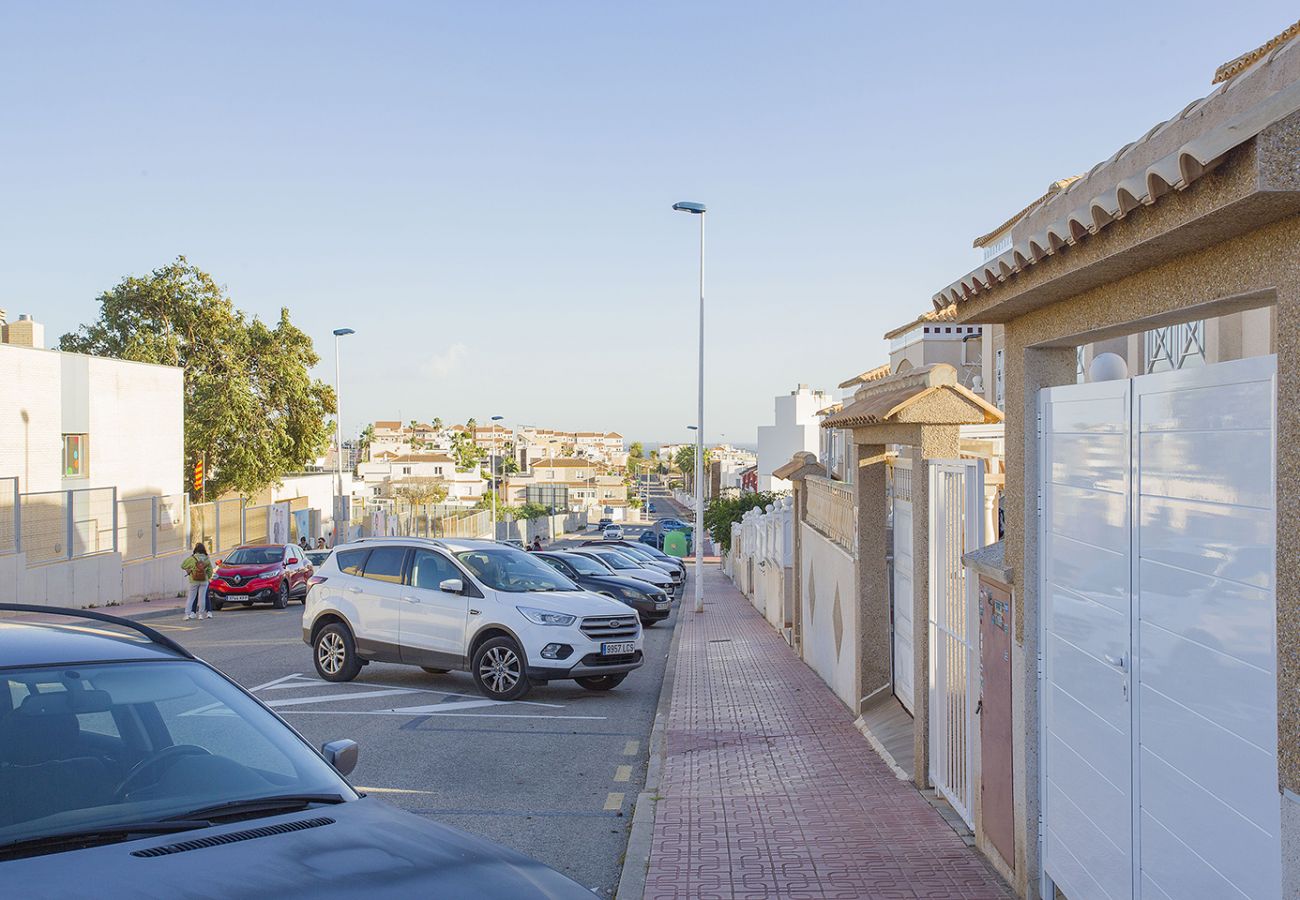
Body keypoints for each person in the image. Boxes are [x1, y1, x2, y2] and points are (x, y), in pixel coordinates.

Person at [181, 542, 213, 620]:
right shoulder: (206, 559)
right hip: (204, 581)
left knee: (191, 598)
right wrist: (206, 577)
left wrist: (189, 570)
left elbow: (182, 565)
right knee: (202, 598)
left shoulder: (192, 558)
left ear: (196, 549)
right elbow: (210, 570)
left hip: (193, 580)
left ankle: (187, 615)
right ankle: (201, 615)